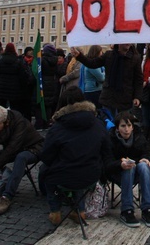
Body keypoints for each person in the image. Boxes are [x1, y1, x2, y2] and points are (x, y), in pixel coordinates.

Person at [40, 87, 112, 226]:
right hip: (91, 174)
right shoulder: (97, 123)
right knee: (79, 168)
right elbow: (107, 150)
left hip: (63, 175)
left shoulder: (58, 126)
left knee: (50, 174)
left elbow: (47, 156)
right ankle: (80, 210)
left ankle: (55, 210)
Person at [107, 111, 150, 228]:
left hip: (137, 172)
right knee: (128, 168)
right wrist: (120, 163)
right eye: (123, 126)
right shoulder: (111, 139)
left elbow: (147, 154)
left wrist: (146, 159)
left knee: (144, 166)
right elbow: (107, 163)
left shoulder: (139, 137)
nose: (126, 129)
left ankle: (147, 209)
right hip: (118, 173)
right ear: (117, 128)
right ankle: (127, 210)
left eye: (129, 126)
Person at [71, 43, 143, 117]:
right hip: (109, 97)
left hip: (125, 99)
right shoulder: (109, 55)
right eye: (125, 40)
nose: (128, 43)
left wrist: (137, 97)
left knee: (123, 124)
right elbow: (92, 63)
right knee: (108, 124)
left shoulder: (135, 58)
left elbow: (138, 80)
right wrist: (79, 56)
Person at [0, 43, 25, 111]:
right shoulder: (18, 61)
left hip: (2, 86)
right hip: (14, 87)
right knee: (14, 108)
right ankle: (13, 121)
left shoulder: (0, 61)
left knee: (1, 109)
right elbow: (22, 76)